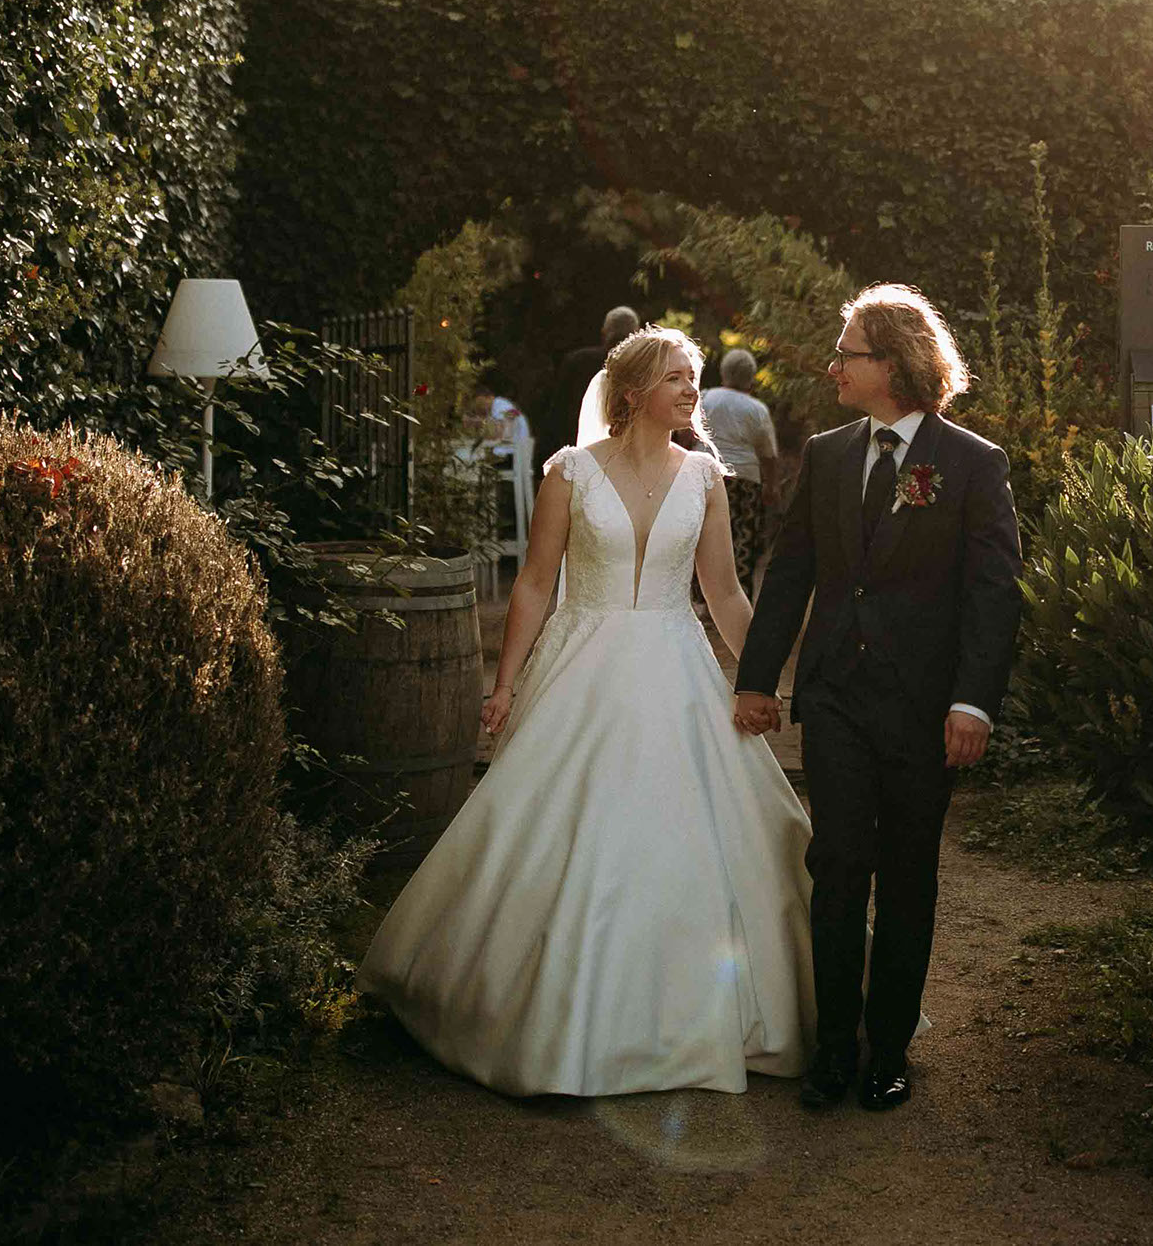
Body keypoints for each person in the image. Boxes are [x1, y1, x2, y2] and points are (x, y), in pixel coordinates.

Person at [359, 327, 816, 1095]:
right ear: (634, 392)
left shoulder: (705, 478)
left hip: (676, 668)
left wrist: (761, 679)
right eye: (676, 377)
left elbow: (725, 592)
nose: (691, 390)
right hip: (582, 668)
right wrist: (503, 685)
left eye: (693, 376)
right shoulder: (569, 473)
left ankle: (690, 1016)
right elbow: (535, 584)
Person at [734, 284, 1022, 1114]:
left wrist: (973, 703)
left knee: (906, 874)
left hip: (924, 709)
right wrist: (757, 678)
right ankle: (833, 1049)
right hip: (834, 698)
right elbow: (790, 572)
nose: (833, 367)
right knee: (836, 866)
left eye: (847, 354)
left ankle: (888, 1051)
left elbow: (994, 594)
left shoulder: (973, 463)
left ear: (891, 364)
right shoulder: (826, 455)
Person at [699, 347, 781, 592]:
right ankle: (737, 594)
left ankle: (701, 595)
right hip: (744, 483)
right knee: (741, 541)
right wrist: (772, 486)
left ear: (723, 372)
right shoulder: (756, 409)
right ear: (751, 377)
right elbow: (768, 454)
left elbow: (685, 436)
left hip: (705, 477)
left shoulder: (704, 398)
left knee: (703, 537)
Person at [552, 305, 639, 456]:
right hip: (630, 450)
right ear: (636, 332)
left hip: (578, 448)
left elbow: (559, 411)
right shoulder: (642, 367)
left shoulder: (577, 361)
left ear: (604, 331)